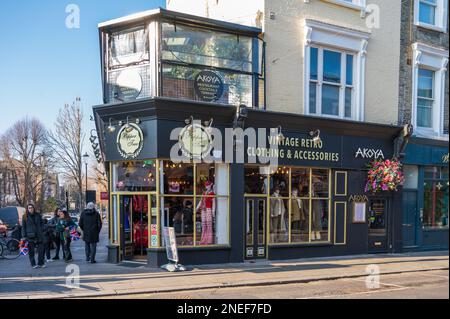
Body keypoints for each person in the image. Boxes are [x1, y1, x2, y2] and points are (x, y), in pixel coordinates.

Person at [21, 204, 45, 269]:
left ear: (34, 208)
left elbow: (42, 223)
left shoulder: (38, 215)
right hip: (30, 236)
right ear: (27, 209)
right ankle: (33, 264)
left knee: (41, 251)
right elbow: (23, 227)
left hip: (39, 235)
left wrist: (42, 229)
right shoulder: (24, 216)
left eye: (31, 208)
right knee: (31, 252)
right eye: (29, 208)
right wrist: (24, 236)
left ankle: (41, 263)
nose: (30, 209)